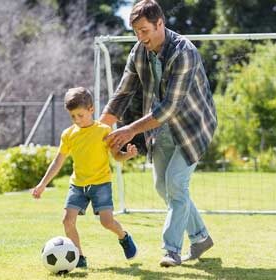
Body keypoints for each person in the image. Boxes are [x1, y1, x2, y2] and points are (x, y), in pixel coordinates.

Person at [99, 0, 217, 267]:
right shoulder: (139, 52)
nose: (141, 38)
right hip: (160, 128)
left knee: (176, 184)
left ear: (160, 24)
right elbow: (123, 94)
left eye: (144, 31)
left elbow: (169, 108)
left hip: (193, 126)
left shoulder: (184, 52)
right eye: (136, 32)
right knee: (162, 187)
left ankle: (171, 250)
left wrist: (129, 129)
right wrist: (100, 130)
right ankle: (200, 238)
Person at [32, 87, 138, 269]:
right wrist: (42, 184)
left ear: (91, 110)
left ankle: (124, 237)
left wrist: (127, 155)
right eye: (73, 116)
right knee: (67, 221)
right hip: (78, 185)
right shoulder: (68, 134)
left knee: (107, 222)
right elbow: (58, 160)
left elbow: (117, 156)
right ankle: (79, 257)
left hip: (101, 184)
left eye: (80, 115)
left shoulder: (104, 131)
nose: (77, 120)